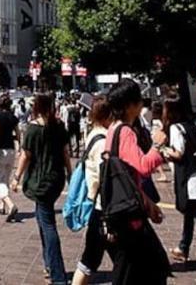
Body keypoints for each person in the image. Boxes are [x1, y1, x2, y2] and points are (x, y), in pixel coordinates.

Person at [99, 81, 170, 285]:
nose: (141, 105)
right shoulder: (125, 132)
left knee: (133, 272)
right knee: (152, 269)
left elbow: (127, 177)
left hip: (123, 209)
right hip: (129, 218)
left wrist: (148, 204)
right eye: (139, 100)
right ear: (130, 105)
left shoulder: (113, 129)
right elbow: (143, 167)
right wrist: (157, 145)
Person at [10, 92, 72, 285]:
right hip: (56, 179)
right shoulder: (59, 126)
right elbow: (65, 153)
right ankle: (49, 265)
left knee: (48, 225)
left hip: (40, 181)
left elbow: (25, 156)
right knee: (42, 219)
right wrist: (70, 173)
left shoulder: (33, 129)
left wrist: (16, 178)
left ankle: (58, 274)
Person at [158, 98, 196, 275]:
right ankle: (183, 247)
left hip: (189, 176)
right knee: (190, 211)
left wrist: (163, 150)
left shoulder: (175, 128)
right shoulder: (194, 126)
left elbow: (178, 153)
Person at [71, 98, 111, 285]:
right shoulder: (103, 140)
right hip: (103, 206)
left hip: (98, 203)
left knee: (91, 258)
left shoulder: (93, 133)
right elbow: (105, 175)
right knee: (89, 259)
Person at [0, 94, 21, 221]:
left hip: (0, 150)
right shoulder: (13, 117)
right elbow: (18, 134)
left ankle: (10, 204)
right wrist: (19, 147)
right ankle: (2, 205)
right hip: (11, 150)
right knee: (5, 179)